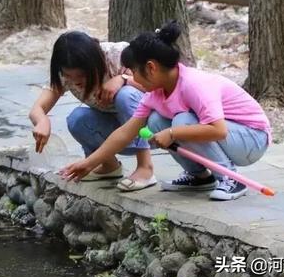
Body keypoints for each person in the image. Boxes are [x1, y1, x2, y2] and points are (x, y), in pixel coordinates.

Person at [60, 21, 271, 201]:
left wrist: (172, 134)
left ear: (151, 68)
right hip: (233, 138)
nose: (131, 77)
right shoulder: (156, 94)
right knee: (157, 121)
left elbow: (218, 130)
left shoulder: (194, 84)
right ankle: (199, 176)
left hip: (252, 139)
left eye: (133, 72)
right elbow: (126, 132)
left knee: (181, 122)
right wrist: (88, 163)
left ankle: (230, 178)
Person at [29, 31, 157, 191]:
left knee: (126, 95)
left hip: (152, 131)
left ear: (95, 64)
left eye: (81, 75)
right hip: (117, 135)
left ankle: (145, 167)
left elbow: (158, 87)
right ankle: (108, 166)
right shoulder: (64, 75)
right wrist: (42, 121)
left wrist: (123, 79)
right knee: (76, 119)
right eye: (69, 75)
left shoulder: (118, 55)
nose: (75, 81)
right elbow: (37, 108)